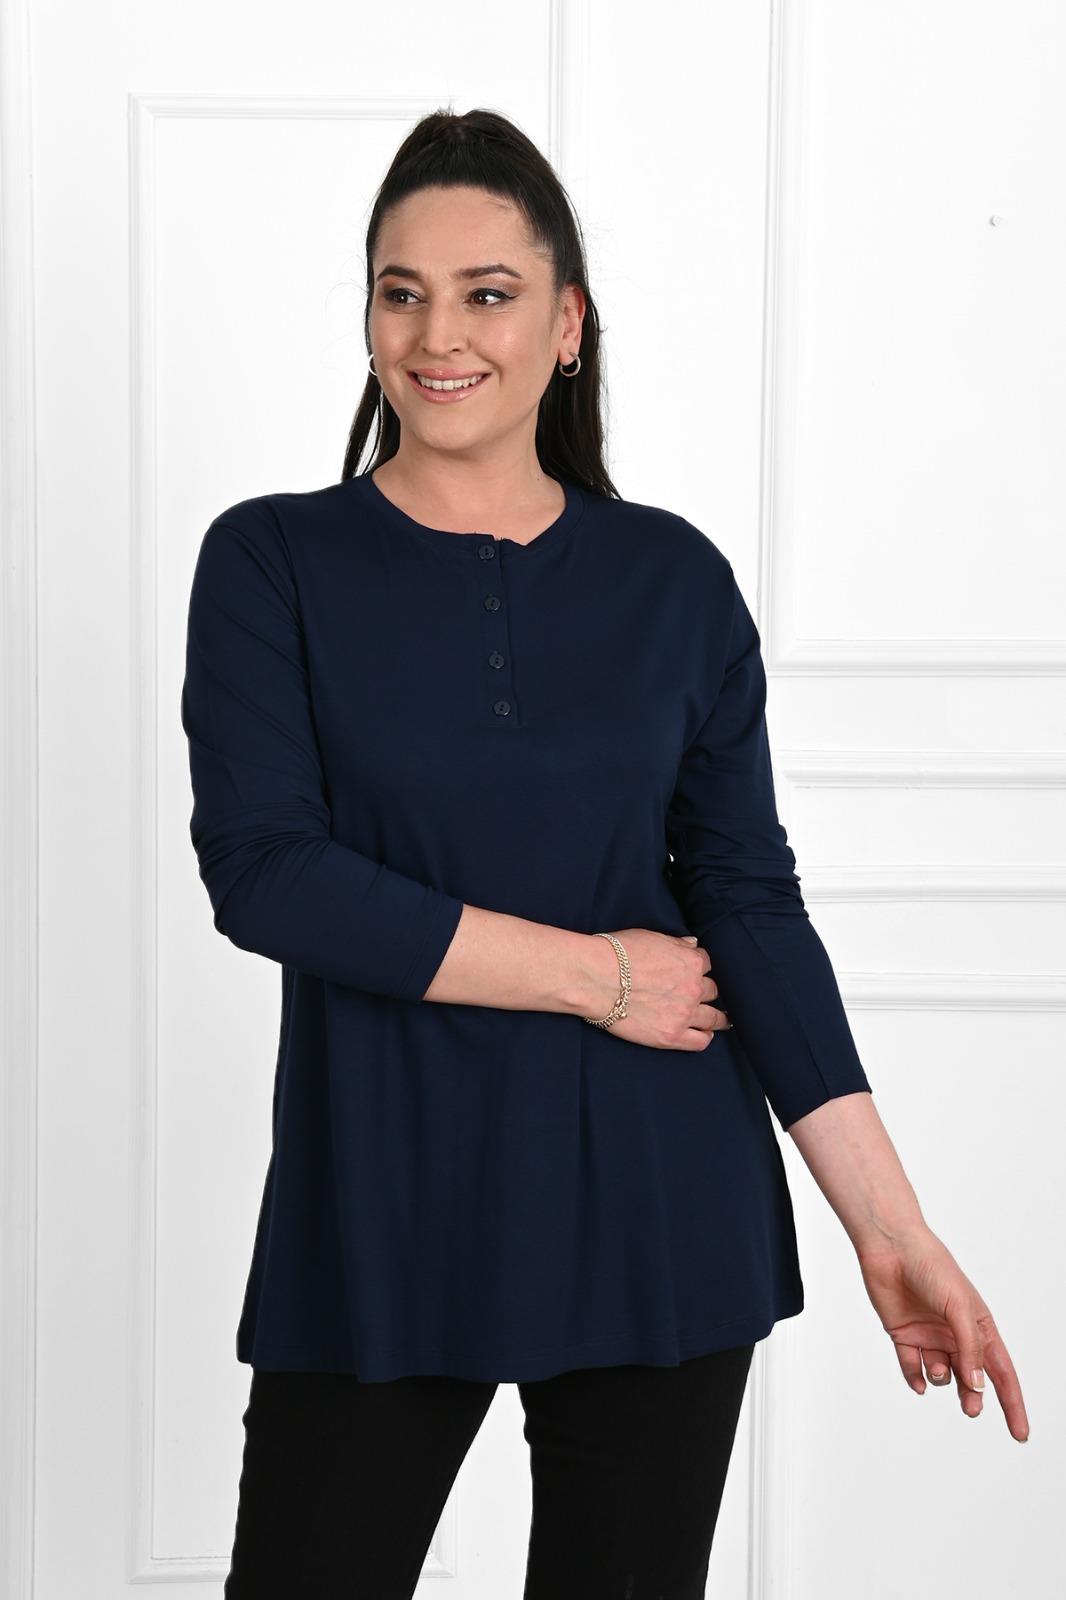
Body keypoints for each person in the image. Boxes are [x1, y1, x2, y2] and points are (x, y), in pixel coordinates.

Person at [180, 108, 1030, 1600]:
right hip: (382, 1205)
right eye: (401, 291)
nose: (439, 333)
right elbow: (266, 872)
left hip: (658, 1206)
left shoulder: (673, 580)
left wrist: (889, 1228)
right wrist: (592, 977)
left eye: (489, 292)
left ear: (567, 324)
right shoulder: (271, 560)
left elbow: (747, 903)